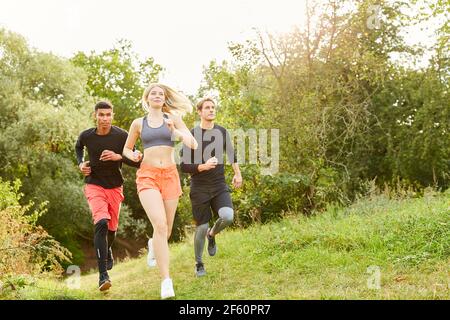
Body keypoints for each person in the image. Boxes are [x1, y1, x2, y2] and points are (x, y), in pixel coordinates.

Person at [123, 83, 197, 299]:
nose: (157, 96)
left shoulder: (172, 118)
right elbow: (126, 148)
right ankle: (166, 281)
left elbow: (193, 144)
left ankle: (153, 244)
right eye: (153, 93)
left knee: (167, 230)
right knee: (161, 225)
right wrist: (133, 155)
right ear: (147, 98)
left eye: (161, 94)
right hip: (148, 176)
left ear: (164, 99)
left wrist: (175, 132)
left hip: (170, 176)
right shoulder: (139, 123)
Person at [75, 101, 140, 291]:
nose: (104, 118)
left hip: (115, 187)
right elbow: (78, 147)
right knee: (101, 222)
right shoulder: (87, 136)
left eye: (108, 115)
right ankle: (103, 276)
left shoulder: (122, 136)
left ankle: (108, 249)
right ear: (95, 115)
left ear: (113, 116)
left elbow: (136, 161)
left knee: (111, 230)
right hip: (94, 185)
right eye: (101, 115)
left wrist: (118, 156)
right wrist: (80, 164)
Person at [180, 97, 242, 277]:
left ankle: (212, 234)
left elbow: (231, 153)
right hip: (199, 187)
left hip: (218, 185)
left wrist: (237, 173)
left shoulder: (221, 132)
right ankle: (199, 263)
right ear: (199, 112)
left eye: (213, 107)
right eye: (207, 107)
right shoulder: (191, 135)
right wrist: (203, 166)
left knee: (228, 217)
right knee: (201, 226)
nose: (211, 110)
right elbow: (183, 166)